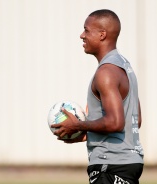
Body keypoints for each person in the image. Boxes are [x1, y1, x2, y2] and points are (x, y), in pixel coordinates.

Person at [51, 9, 144, 184]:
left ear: (102, 35)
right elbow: (135, 120)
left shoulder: (106, 72)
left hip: (110, 165)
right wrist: (88, 134)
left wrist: (78, 124)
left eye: (86, 30)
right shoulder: (124, 66)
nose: (81, 35)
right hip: (129, 163)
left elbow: (116, 122)